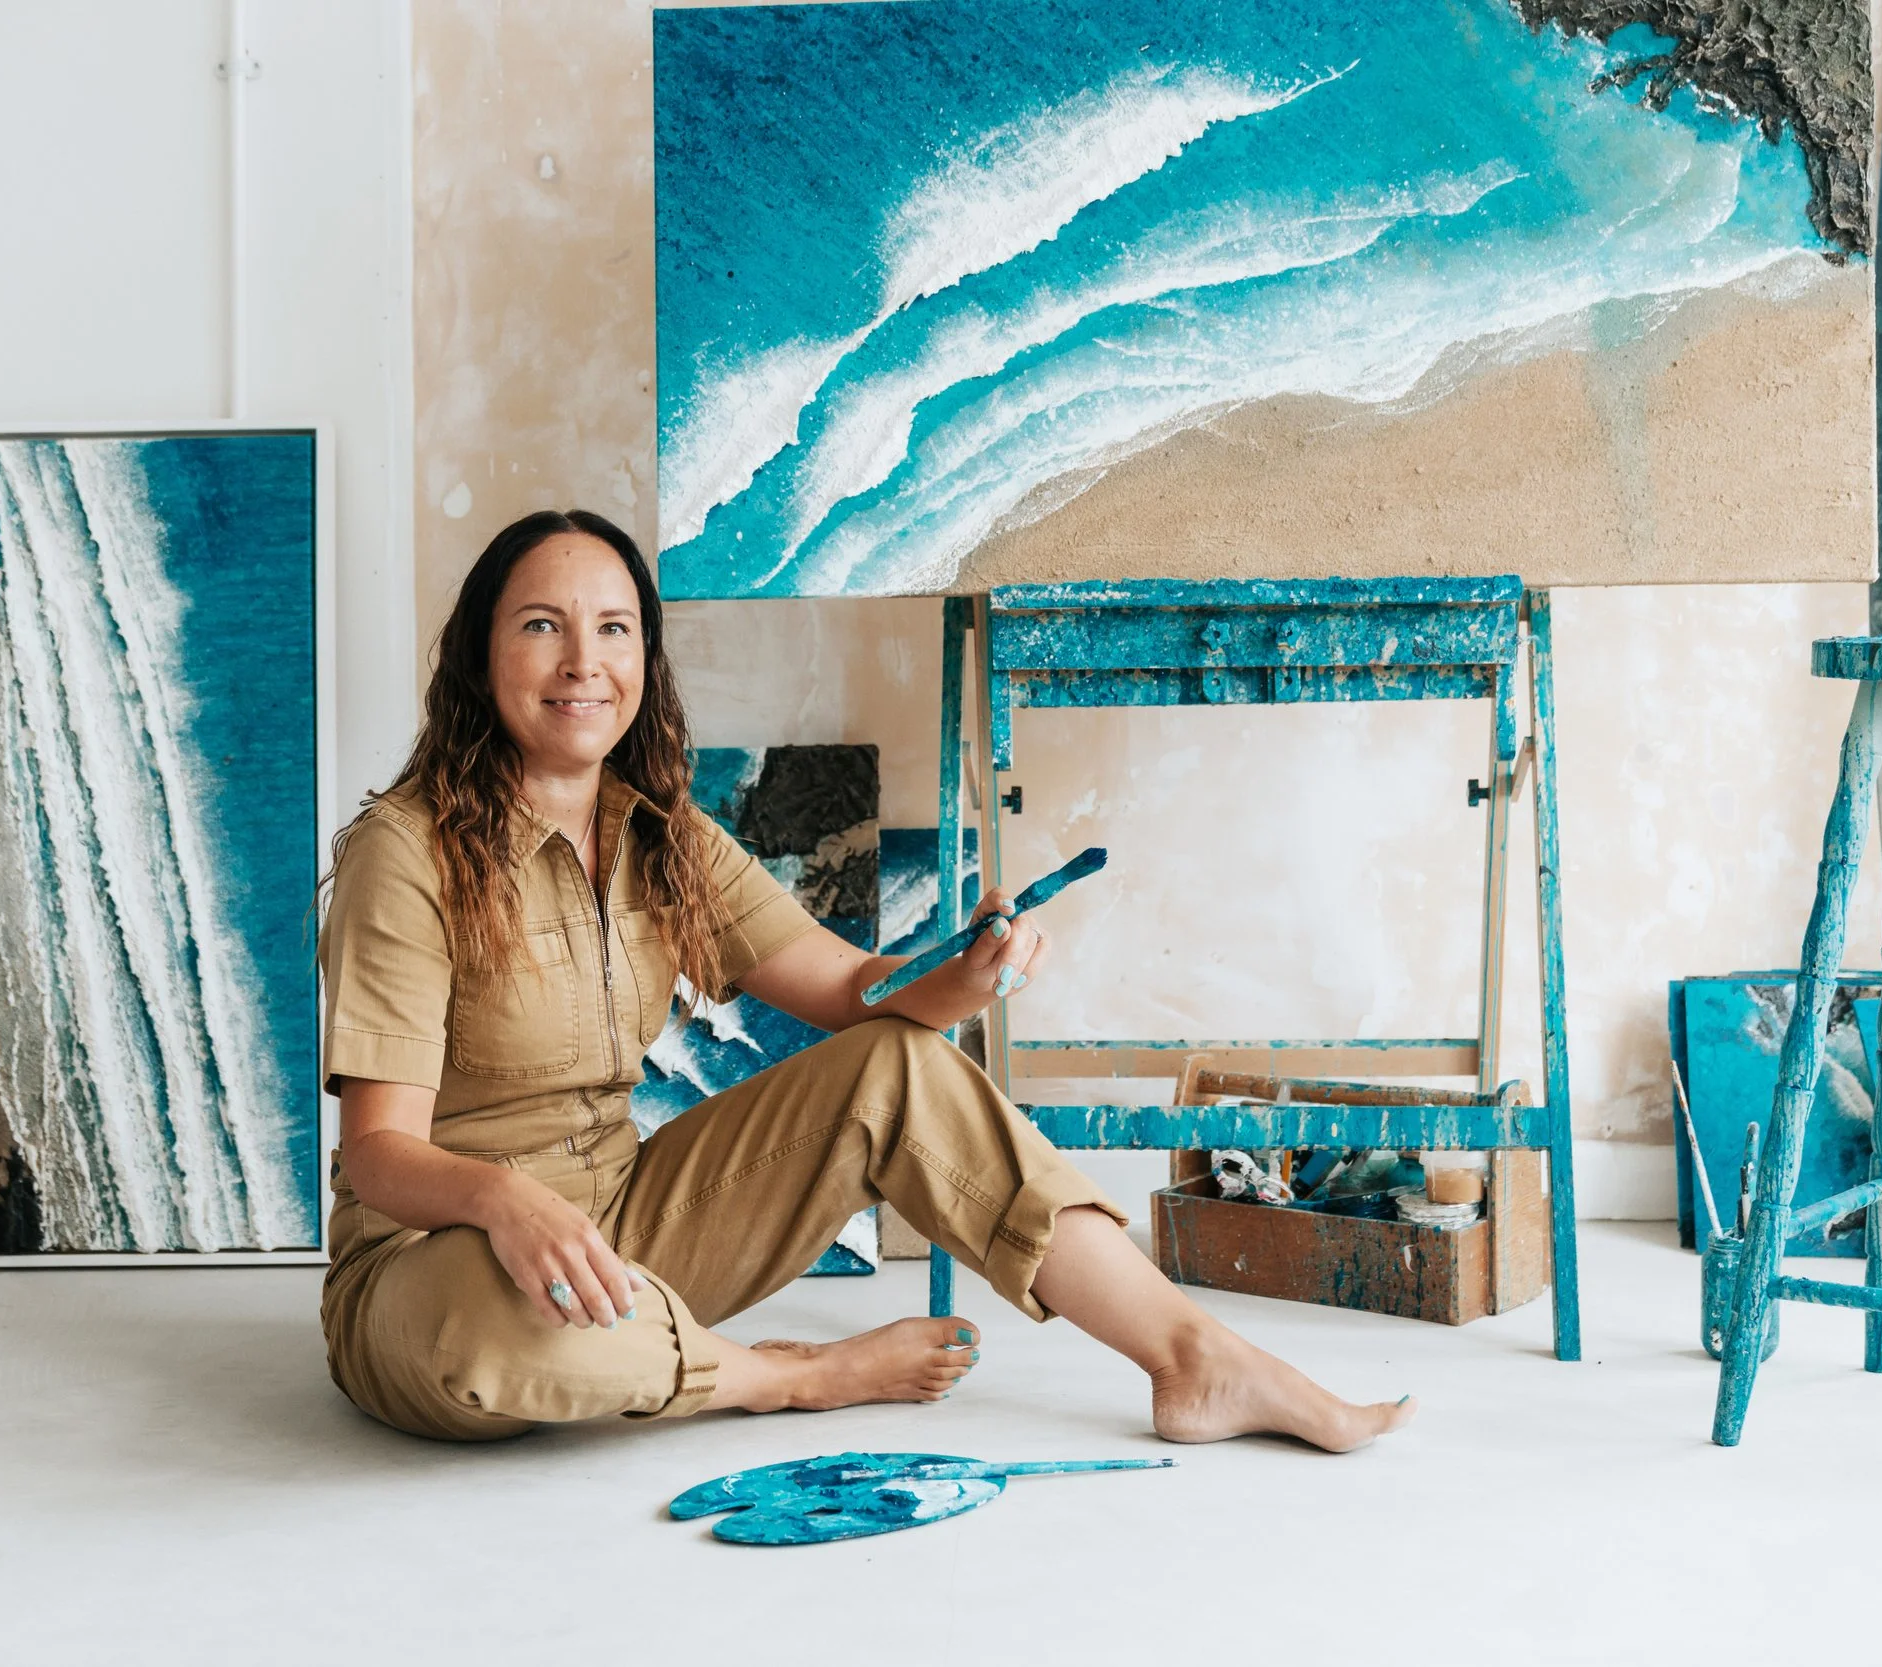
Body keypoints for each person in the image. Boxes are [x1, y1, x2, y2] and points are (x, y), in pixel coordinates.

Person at [318, 508, 1415, 1448]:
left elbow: (856, 992)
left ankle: (1194, 1355)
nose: (581, 662)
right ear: (481, 654)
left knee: (894, 1065)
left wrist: (967, 968)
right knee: (494, 1323)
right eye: (540, 626)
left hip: (621, 1233)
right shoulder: (405, 851)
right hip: (436, 1267)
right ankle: (782, 1377)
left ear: (644, 656)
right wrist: (506, 1200)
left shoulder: (661, 832)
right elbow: (377, 1155)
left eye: (613, 628)